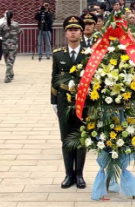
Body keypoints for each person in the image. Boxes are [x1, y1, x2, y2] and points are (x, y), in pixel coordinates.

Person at [51, 16, 87, 189]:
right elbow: (54, 79)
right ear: (66, 33)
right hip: (64, 100)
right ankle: (68, 174)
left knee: (81, 137)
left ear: (81, 32)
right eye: (70, 30)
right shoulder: (58, 54)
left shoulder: (90, 53)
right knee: (66, 138)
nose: (73, 32)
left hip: (84, 101)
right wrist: (53, 101)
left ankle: (79, 174)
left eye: (76, 29)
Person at [0, 10, 21, 83]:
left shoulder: (3, 25)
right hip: (13, 44)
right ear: (12, 16)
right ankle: (8, 76)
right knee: (11, 60)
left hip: (5, 44)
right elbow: (20, 32)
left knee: (7, 60)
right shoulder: (16, 24)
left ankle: (10, 73)